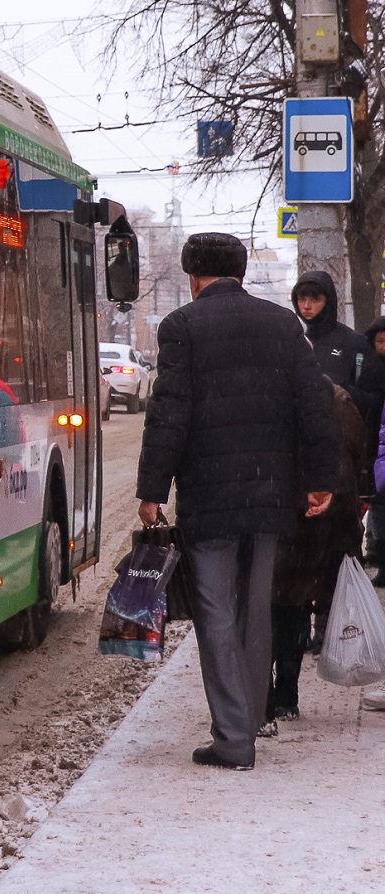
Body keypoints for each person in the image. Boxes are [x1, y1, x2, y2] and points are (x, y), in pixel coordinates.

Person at [137, 232, 336, 772]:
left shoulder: (182, 327)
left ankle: (233, 738)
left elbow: (169, 414)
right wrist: (321, 479)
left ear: (193, 275)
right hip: (272, 494)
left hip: (210, 495)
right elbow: (313, 405)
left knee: (215, 609)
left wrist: (152, 491)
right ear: (241, 273)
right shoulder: (281, 324)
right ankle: (248, 721)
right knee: (256, 609)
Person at [266, 379, 366, 730]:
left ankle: (264, 697)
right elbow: (354, 460)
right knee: (295, 605)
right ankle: (286, 696)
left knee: (263, 609)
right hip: (317, 522)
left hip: (276, 516)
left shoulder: (269, 396)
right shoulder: (335, 398)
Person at [290, 272, 385, 625]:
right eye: (301, 298)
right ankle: (299, 625)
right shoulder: (294, 343)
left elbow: (374, 398)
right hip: (301, 464)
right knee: (301, 550)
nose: (307, 306)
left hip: (345, 465)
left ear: (328, 299)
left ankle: (330, 624)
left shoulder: (352, 344)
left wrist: (337, 392)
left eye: (315, 298)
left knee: (338, 548)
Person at [362, 315, 385, 577]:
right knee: (375, 499)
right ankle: (375, 548)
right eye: (379, 341)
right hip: (375, 442)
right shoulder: (368, 368)